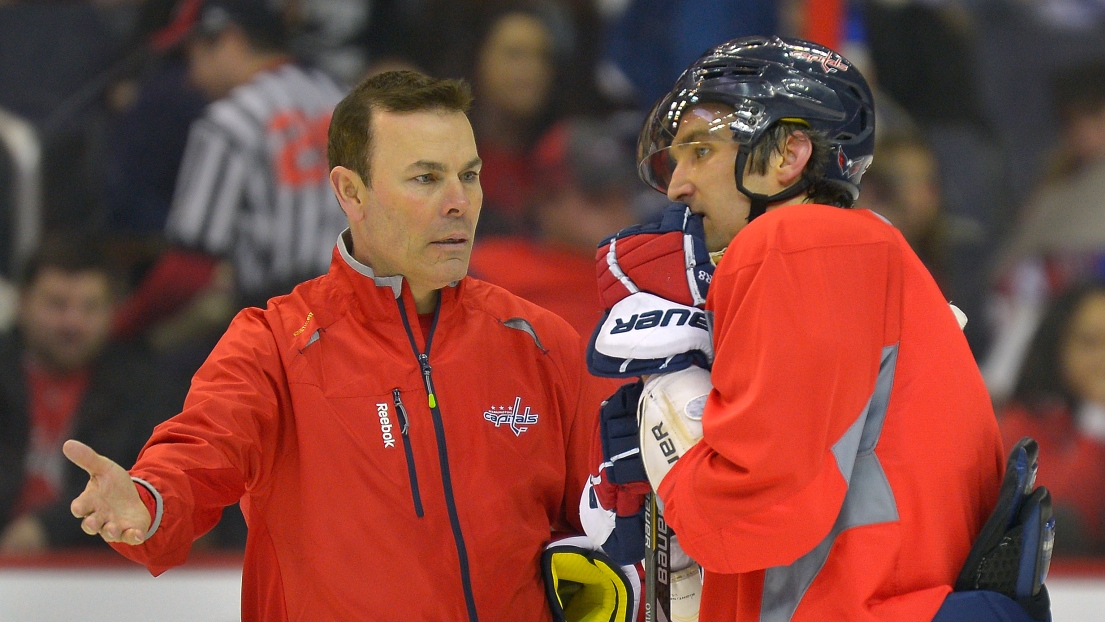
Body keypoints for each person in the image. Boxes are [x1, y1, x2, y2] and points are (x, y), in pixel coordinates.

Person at [62, 69, 609, 621]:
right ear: (350, 191)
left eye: (469, 175)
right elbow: (201, 451)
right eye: (425, 178)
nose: (458, 202)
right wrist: (149, 501)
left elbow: (607, 522)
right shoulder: (275, 343)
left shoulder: (542, 342)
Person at [582, 36, 1032, 621]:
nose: (677, 186)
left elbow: (744, 522)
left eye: (700, 150)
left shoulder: (794, 243)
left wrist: (671, 411)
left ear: (788, 157)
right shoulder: (866, 255)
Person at [111, 0, 347, 341]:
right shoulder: (340, 97)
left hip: (283, 323)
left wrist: (122, 327)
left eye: (192, 56)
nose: (190, 79)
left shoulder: (229, 121)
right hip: (365, 314)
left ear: (229, 41)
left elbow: (189, 268)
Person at [0, 234, 172, 553]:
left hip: (103, 571)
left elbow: (146, 487)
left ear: (113, 310)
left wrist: (46, 529)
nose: (72, 322)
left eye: (89, 307)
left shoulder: (144, 388)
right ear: (22, 302)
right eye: (56, 304)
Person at [468, 113, 642, 339]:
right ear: (546, 201)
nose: (617, 210)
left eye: (623, 194)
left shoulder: (651, 277)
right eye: (597, 198)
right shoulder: (489, 270)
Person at [998, 281, 1105, 557]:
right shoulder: (1023, 428)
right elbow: (1062, 525)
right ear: (1057, 345)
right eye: (1090, 343)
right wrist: (1096, 419)